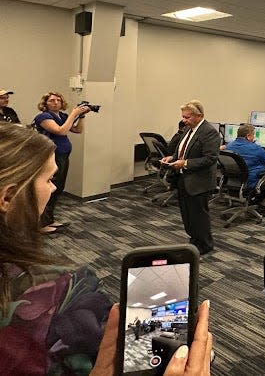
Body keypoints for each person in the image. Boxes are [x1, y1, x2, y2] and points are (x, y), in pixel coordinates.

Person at [0, 123, 213, 375]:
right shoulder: (59, 290)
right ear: (8, 197)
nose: (55, 187)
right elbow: (131, 360)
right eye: (49, 179)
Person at [161, 100, 221, 256]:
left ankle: (205, 244)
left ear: (199, 116)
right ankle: (194, 239)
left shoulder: (209, 132)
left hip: (199, 181)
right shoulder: (188, 129)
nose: (184, 120)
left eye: (187, 117)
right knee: (187, 214)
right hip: (184, 179)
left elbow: (210, 158)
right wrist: (172, 157)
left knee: (198, 215)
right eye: (183, 117)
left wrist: (185, 163)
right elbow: (182, 150)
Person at [33, 91, 92, 234]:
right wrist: (74, 113)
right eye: (52, 100)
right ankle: (41, 224)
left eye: (58, 100)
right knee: (49, 188)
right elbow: (60, 131)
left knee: (58, 187)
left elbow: (77, 130)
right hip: (51, 156)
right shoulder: (43, 116)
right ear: (45, 103)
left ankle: (49, 220)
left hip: (63, 154)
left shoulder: (62, 116)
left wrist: (81, 116)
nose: (56, 103)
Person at [223, 124, 265, 214]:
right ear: (248, 136)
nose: (254, 137)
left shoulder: (229, 146)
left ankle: (255, 200)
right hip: (251, 180)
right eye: (253, 135)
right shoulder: (254, 147)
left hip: (233, 181)